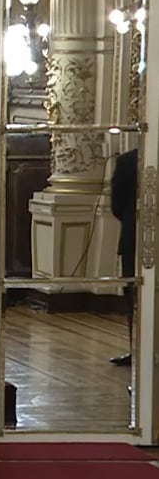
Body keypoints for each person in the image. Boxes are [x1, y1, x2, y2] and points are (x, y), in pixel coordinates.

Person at [110, 147, 138, 366]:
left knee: (134, 298)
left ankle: (136, 350)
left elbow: (117, 206)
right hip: (133, 240)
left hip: (134, 238)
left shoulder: (127, 160)